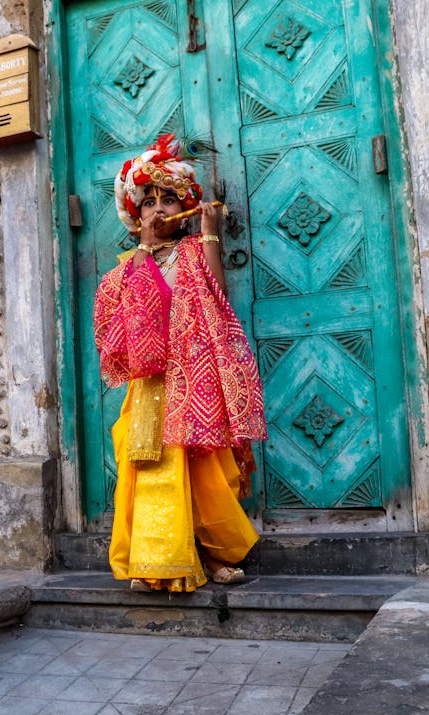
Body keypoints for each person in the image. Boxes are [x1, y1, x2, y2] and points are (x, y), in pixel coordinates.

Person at [93, 134, 267, 592]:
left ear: (185, 207)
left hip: (194, 382)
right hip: (150, 387)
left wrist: (209, 230)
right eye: (148, 202)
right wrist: (145, 253)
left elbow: (217, 293)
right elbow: (114, 329)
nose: (158, 209)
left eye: (169, 200)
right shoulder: (124, 269)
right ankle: (156, 561)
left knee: (203, 474)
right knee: (151, 471)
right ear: (135, 218)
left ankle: (212, 559)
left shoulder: (191, 252)